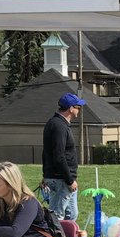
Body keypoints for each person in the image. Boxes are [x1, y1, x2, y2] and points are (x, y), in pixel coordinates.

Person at [41, 91, 83, 221]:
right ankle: (54, 235)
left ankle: (66, 234)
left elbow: (47, 151)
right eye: (78, 107)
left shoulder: (55, 123)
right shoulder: (59, 126)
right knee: (57, 217)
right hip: (61, 179)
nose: (79, 110)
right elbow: (59, 156)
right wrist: (69, 180)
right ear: (70, 109)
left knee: (71, 215)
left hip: (57, 177)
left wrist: (46, 174)